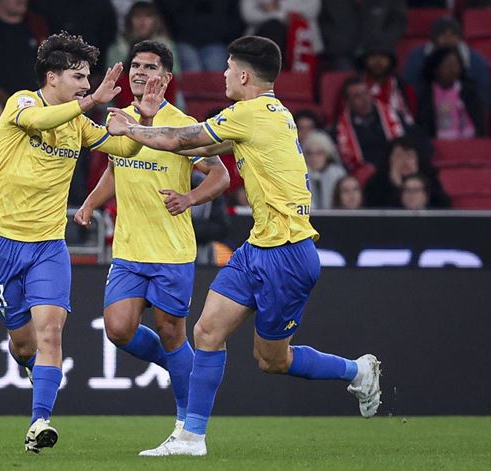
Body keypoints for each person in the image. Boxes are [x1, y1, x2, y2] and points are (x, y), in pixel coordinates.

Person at [107, 35, 381, 457]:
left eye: (229, 68)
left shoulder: (250, 114)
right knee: (206, 332)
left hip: (288, 253)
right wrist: (147, 123)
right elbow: (201, 145)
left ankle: (357, 371)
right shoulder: (267, 115)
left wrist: (132, 127)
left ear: (245, 75)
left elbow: (180, 142)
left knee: (273, 360)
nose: (223, 74)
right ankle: (191, 438)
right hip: (258, 246)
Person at [0, 32, 156, 453]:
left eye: (87, 77)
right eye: (78, 76)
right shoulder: (21, 103)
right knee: (24, 343)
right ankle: (29, 365)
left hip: (48, 246)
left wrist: (142, 120)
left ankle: (39, 422)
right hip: (1, 241)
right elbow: (38, 123)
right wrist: (91, 102)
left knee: (52, 333)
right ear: (51, 77)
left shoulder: (76, 122)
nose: (84, 83)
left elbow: (122, 147)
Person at [75, 40, 229, 444]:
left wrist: (190, 198)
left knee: (171, 332)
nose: (141, 73)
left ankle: (185, 426)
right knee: (118, 328)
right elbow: (115, 164)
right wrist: (91, 202)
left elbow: (221, 176)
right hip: (128, 250)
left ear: (167, 78)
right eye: (136, 67)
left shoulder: (182, 126)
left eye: (151, 67)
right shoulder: (119, 120)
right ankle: (188, 370)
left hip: (170, 251)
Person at [403, 16, 491, 109]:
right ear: (434, 38)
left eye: (453, 35)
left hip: (464, 111)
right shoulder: (417, 57)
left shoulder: (476, 61)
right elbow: (409, 89)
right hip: (426, 109)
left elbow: (484, 97)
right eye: (443, 34)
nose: (448, 39)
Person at [416, 47, 486, 141]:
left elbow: (479, 121)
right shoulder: (426, 94)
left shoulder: (469, 90)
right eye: (447, 65)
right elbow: (424, 125)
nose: (453, 69)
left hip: (470, 142)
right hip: (438, 144)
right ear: (435, 68)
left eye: (456, 64)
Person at [319, 0, 407, 71]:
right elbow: (323, 22)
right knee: (347, 81)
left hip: (379, 50)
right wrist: (337, 41)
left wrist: (382, 42)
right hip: (342, 53)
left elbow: (398, 21)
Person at [363, 136, 449, 208]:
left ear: (417, 159)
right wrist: (396, 185)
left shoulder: (429, 177)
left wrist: (417, 179)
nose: (405, 161)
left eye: (409, 155)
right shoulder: (376, 182)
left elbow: (443, 206)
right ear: (389, 160)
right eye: (399, 155)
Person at [303, 130, 346, 210]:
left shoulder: (338, 174)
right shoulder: (301, 175)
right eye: (309, 153)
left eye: (319, 153)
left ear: (327, 154)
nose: (314, 158)